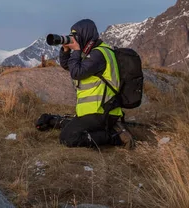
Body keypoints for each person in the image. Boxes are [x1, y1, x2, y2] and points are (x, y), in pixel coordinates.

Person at [36, 19, 135, 149]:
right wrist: (65, 50)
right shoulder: (91, 53)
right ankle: (109, 129)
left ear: (86, 35)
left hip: (103, 112)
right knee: (71, 127)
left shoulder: (98, 54)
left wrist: (76, 50)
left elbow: (76, 72)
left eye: (77, 36)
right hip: (94, 111)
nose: (75, 39)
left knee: (68, 138)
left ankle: (116, 135)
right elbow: (68, 66)